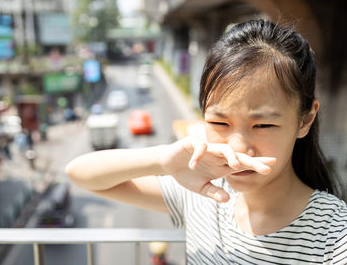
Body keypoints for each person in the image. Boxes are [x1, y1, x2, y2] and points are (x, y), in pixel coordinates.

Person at [65, 19, 347, 264]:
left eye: (263, 125)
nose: (237, 148)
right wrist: (163, 160)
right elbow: (80, 173)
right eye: (219, 123)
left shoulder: (334, 232)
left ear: (304, 121)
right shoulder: (202, 195)